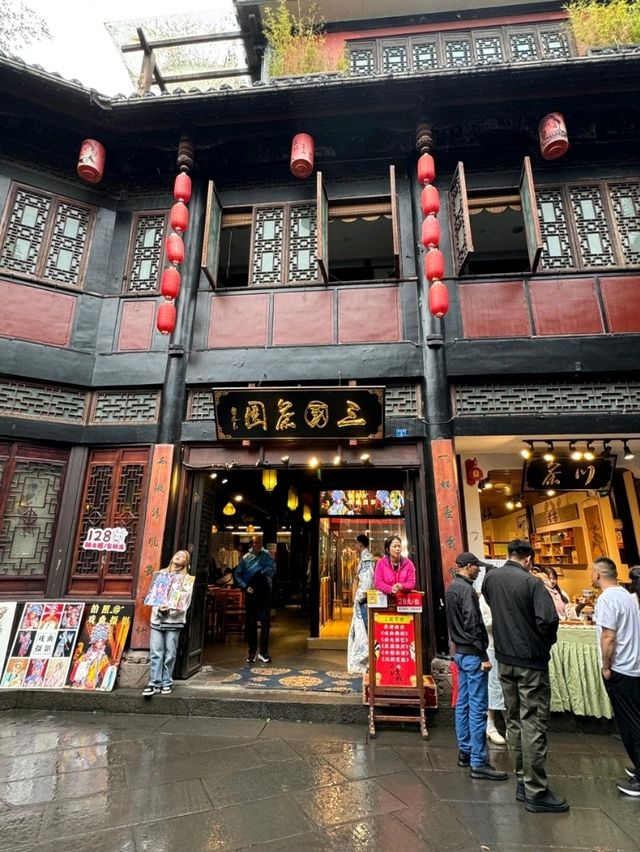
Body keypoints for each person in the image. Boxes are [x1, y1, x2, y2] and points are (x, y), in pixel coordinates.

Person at [482, 538, 569, 813]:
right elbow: (548, 621)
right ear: (529, 559)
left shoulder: (491, 580)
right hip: (530, 662)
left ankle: (522, 779)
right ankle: (536, 789)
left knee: (515, 721)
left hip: (504, 659)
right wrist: (542, 644)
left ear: (509, 554)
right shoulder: (533, 584)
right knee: (533, 723)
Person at [446, 552, 508, 781]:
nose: (479, 571)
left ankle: (465, 750)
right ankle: (478, 760)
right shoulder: (466, 590)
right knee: (477, 706)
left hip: (460, 652)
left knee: (463, 703)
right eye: (477, 567)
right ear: (468, 566)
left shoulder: (452, 587)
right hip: (472, 654)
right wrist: (482, 653)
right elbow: (473, 623)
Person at [592, 558, 640, 797]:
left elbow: (608, 636)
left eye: (593, 571)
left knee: (631, 723)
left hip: (621, 668)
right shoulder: (626, 595)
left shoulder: (608, 599)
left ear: (599, 574)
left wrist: (606, 666)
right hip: (633, 666)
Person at [143, 549, 192, 697]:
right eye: (177, 554)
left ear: (186, 562)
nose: (179, 556)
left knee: (170, 653)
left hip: (173, 620)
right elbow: (153, 597)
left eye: (183, 556)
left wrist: (169, 610)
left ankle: (167, 682)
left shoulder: (186, 579)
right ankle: (154, 683)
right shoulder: (161, 575)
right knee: (156, 651)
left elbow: (185, 603)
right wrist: (160, 609)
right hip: (157, 619)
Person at [234, 534, 276, 664]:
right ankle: (252, 652)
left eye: (259, 542)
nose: (257, 545)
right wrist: (245, 587)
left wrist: (265, 572)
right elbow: (237, 574)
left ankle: (264, 652)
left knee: (265, 622)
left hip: (264, 592)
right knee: (251, 623)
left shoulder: (267, 555)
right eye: (255, 543)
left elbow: (273, 568)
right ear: (251, 544)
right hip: (251, 593)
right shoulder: (246, 558)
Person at [347, 534, 375, 674]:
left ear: (361, 545)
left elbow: (367, 582)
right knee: (362, 630)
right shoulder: (366, 558)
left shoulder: (366, 559)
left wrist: (358, 597)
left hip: (364, 601)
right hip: (364, 599)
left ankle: (366, 662)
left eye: (356, 543)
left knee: (364, 630)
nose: (355, 546)